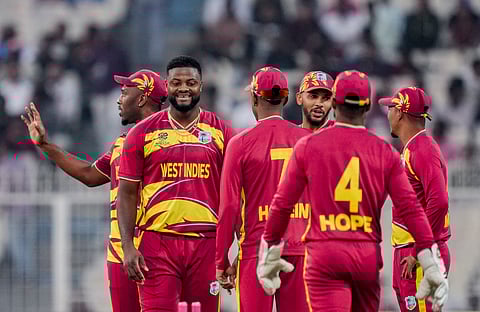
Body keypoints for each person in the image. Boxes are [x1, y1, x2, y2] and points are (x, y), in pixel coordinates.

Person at [257, 70, 449, 311]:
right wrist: (428, 257)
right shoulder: (384, 152)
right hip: (365, 254)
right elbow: (410, 208)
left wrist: (270, 249)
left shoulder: (308, 146)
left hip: (324, 252)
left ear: (334, 102)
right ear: (367, 106)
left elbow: (282, 204)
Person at [20, 69, 167, 312]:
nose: (119, 100)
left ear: (141, 99)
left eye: (124, 93)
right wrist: (44, 145)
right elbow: (89, 175)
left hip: (159, 253)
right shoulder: (123, 142)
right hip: (121, 252)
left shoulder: (170, 141)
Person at [117, 55, 233, 311]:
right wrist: (127, 247)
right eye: (176, 82)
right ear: (166, 86)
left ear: (200, 87)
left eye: (191, 82)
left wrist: (231, 250)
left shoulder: (222, 131)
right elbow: (126, 194)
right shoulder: (142, 132)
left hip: (206, 244)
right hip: (157, 244)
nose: (183, 88)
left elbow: (235, 194)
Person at [216, 66, 310, 312]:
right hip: (301, 249)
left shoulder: (239, 144)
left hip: (257, 249)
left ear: (254, 98)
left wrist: (221, 259)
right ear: (287, 98)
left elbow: (229, 207)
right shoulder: (308, 140)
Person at [380, 87, 451, 312]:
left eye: (390, 107)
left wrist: (419, 251)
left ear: (400, 113)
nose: (388, 113)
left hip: (419, 253)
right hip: (410, 250)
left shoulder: (422, 149)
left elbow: (439, 202)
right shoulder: (414, 148)